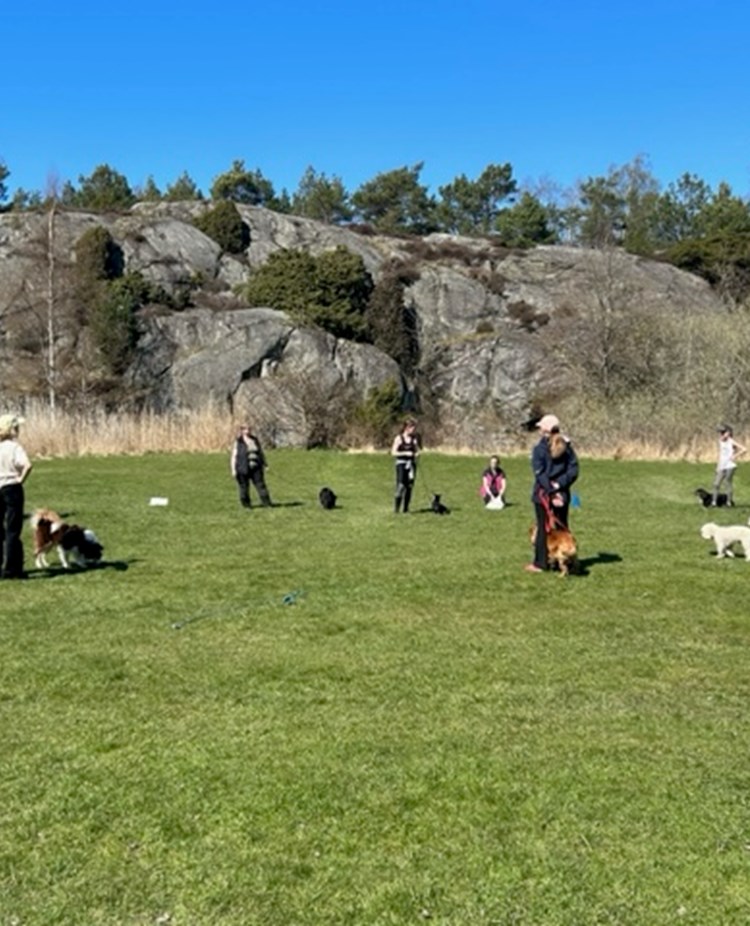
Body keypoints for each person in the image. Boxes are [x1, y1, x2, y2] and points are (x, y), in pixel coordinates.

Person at [525, 413, 578, 574]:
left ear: (546, 430)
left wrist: (550, 489)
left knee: (543, 527)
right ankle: (566, 560)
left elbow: (539, 474)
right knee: (562, 527)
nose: (539, 429)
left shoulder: (540, 449)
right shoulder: (568, 447)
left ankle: (541, 563)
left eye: (541, 427)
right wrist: (559, 486)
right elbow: (573, 470)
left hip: (543, 495)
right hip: (562, 494)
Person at [0, 414, 33, 580]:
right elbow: (27, 465)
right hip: (11, 487)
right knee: (12, 529)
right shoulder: (14, 447)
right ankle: (12, 569)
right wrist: (20, 480)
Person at [230, 423, 272, 509]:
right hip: (242, 468)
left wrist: (265, 464)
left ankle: (267, 503)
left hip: (256, 467)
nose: (248, 431)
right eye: (245, 429)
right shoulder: (238, 442)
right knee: (244, 487)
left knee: (261, 485)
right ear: (242, 431)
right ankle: (246, 505)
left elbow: (260, 452)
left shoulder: (255, 440)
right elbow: (234, 456)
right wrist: (233, 470)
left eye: (249, 429)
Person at [712, 424, 746, 507]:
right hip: (722, 465)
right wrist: (718, 466)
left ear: (728, 433)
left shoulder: (731, 441)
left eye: (723, 433)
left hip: (730, 465)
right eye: (720, 433)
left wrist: (735, 456)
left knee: (728, 483)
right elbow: (720, 454)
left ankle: (729, 502)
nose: (721, 435)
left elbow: (744, 449)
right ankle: (714, 502)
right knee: (716, 484)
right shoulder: (720, 441)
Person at [391, 418, 420, 513]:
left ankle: (406, 508)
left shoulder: (414, 439)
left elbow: (416, 450)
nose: (414, 430)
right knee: (401, 485)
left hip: (411, 464)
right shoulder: (399, 438)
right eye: (412, 428)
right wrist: (405, 453)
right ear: (407, 428)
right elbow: (393, 453)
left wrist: (416, 454)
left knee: (409, 486)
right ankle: (396, 509)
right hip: (401, 464)